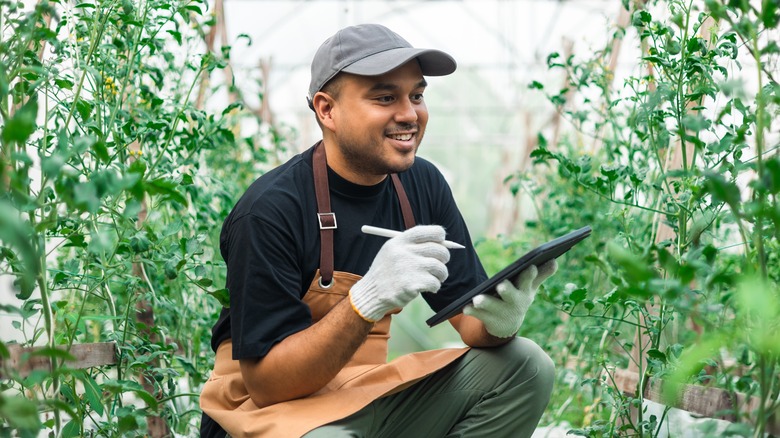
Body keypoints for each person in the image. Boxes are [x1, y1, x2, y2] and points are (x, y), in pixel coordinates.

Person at [200, 23, 558, 438]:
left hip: (363, 391)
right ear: (326, 110)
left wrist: (503, 317)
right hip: (265, 415)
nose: (409, 114)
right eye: (385, 97)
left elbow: (471, 326)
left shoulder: (421, 185)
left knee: (525, 365)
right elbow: (266, 387)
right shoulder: (270, 210)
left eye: (417, 95)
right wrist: (365, 300)